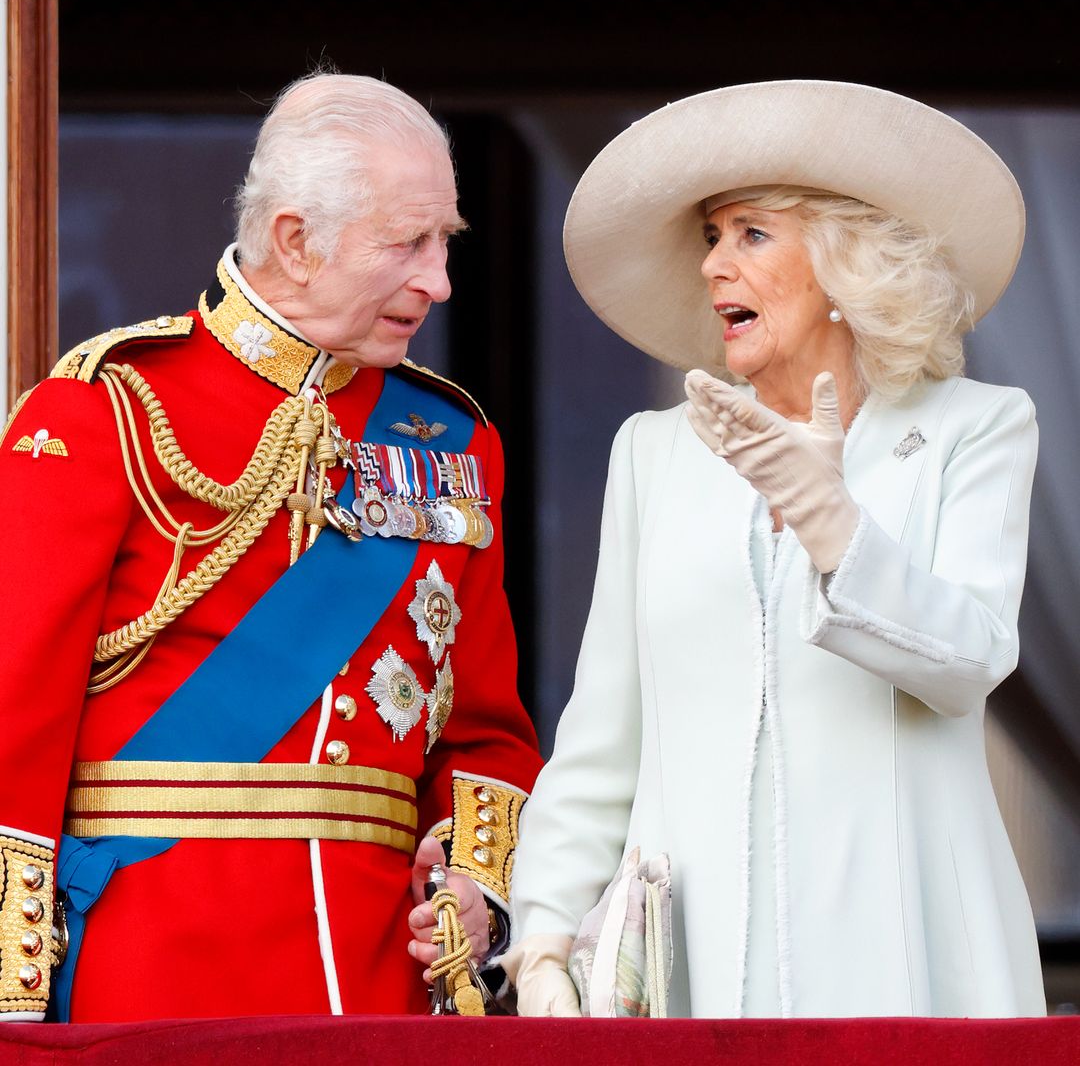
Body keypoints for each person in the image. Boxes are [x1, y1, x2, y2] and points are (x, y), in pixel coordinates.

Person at [0, 72, 541, 1022]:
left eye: (444, 241)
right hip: (147, 976)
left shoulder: (453, 444)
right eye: (407, 243)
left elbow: (486, 729)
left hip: (380, 989)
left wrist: (473, 888)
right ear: (294, 241)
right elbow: (14, 718)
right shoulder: (109, 411)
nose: (438, 281)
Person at [506, 80, 1045, 1018]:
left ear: (847, 263)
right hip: (695, 969)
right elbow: (604, 730)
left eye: (751, 234)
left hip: (908, 957)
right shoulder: (656, 451)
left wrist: (833, 524)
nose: (715, 265)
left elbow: (970, 660)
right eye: (712, 236)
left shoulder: (976, 428)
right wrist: (545, 929)